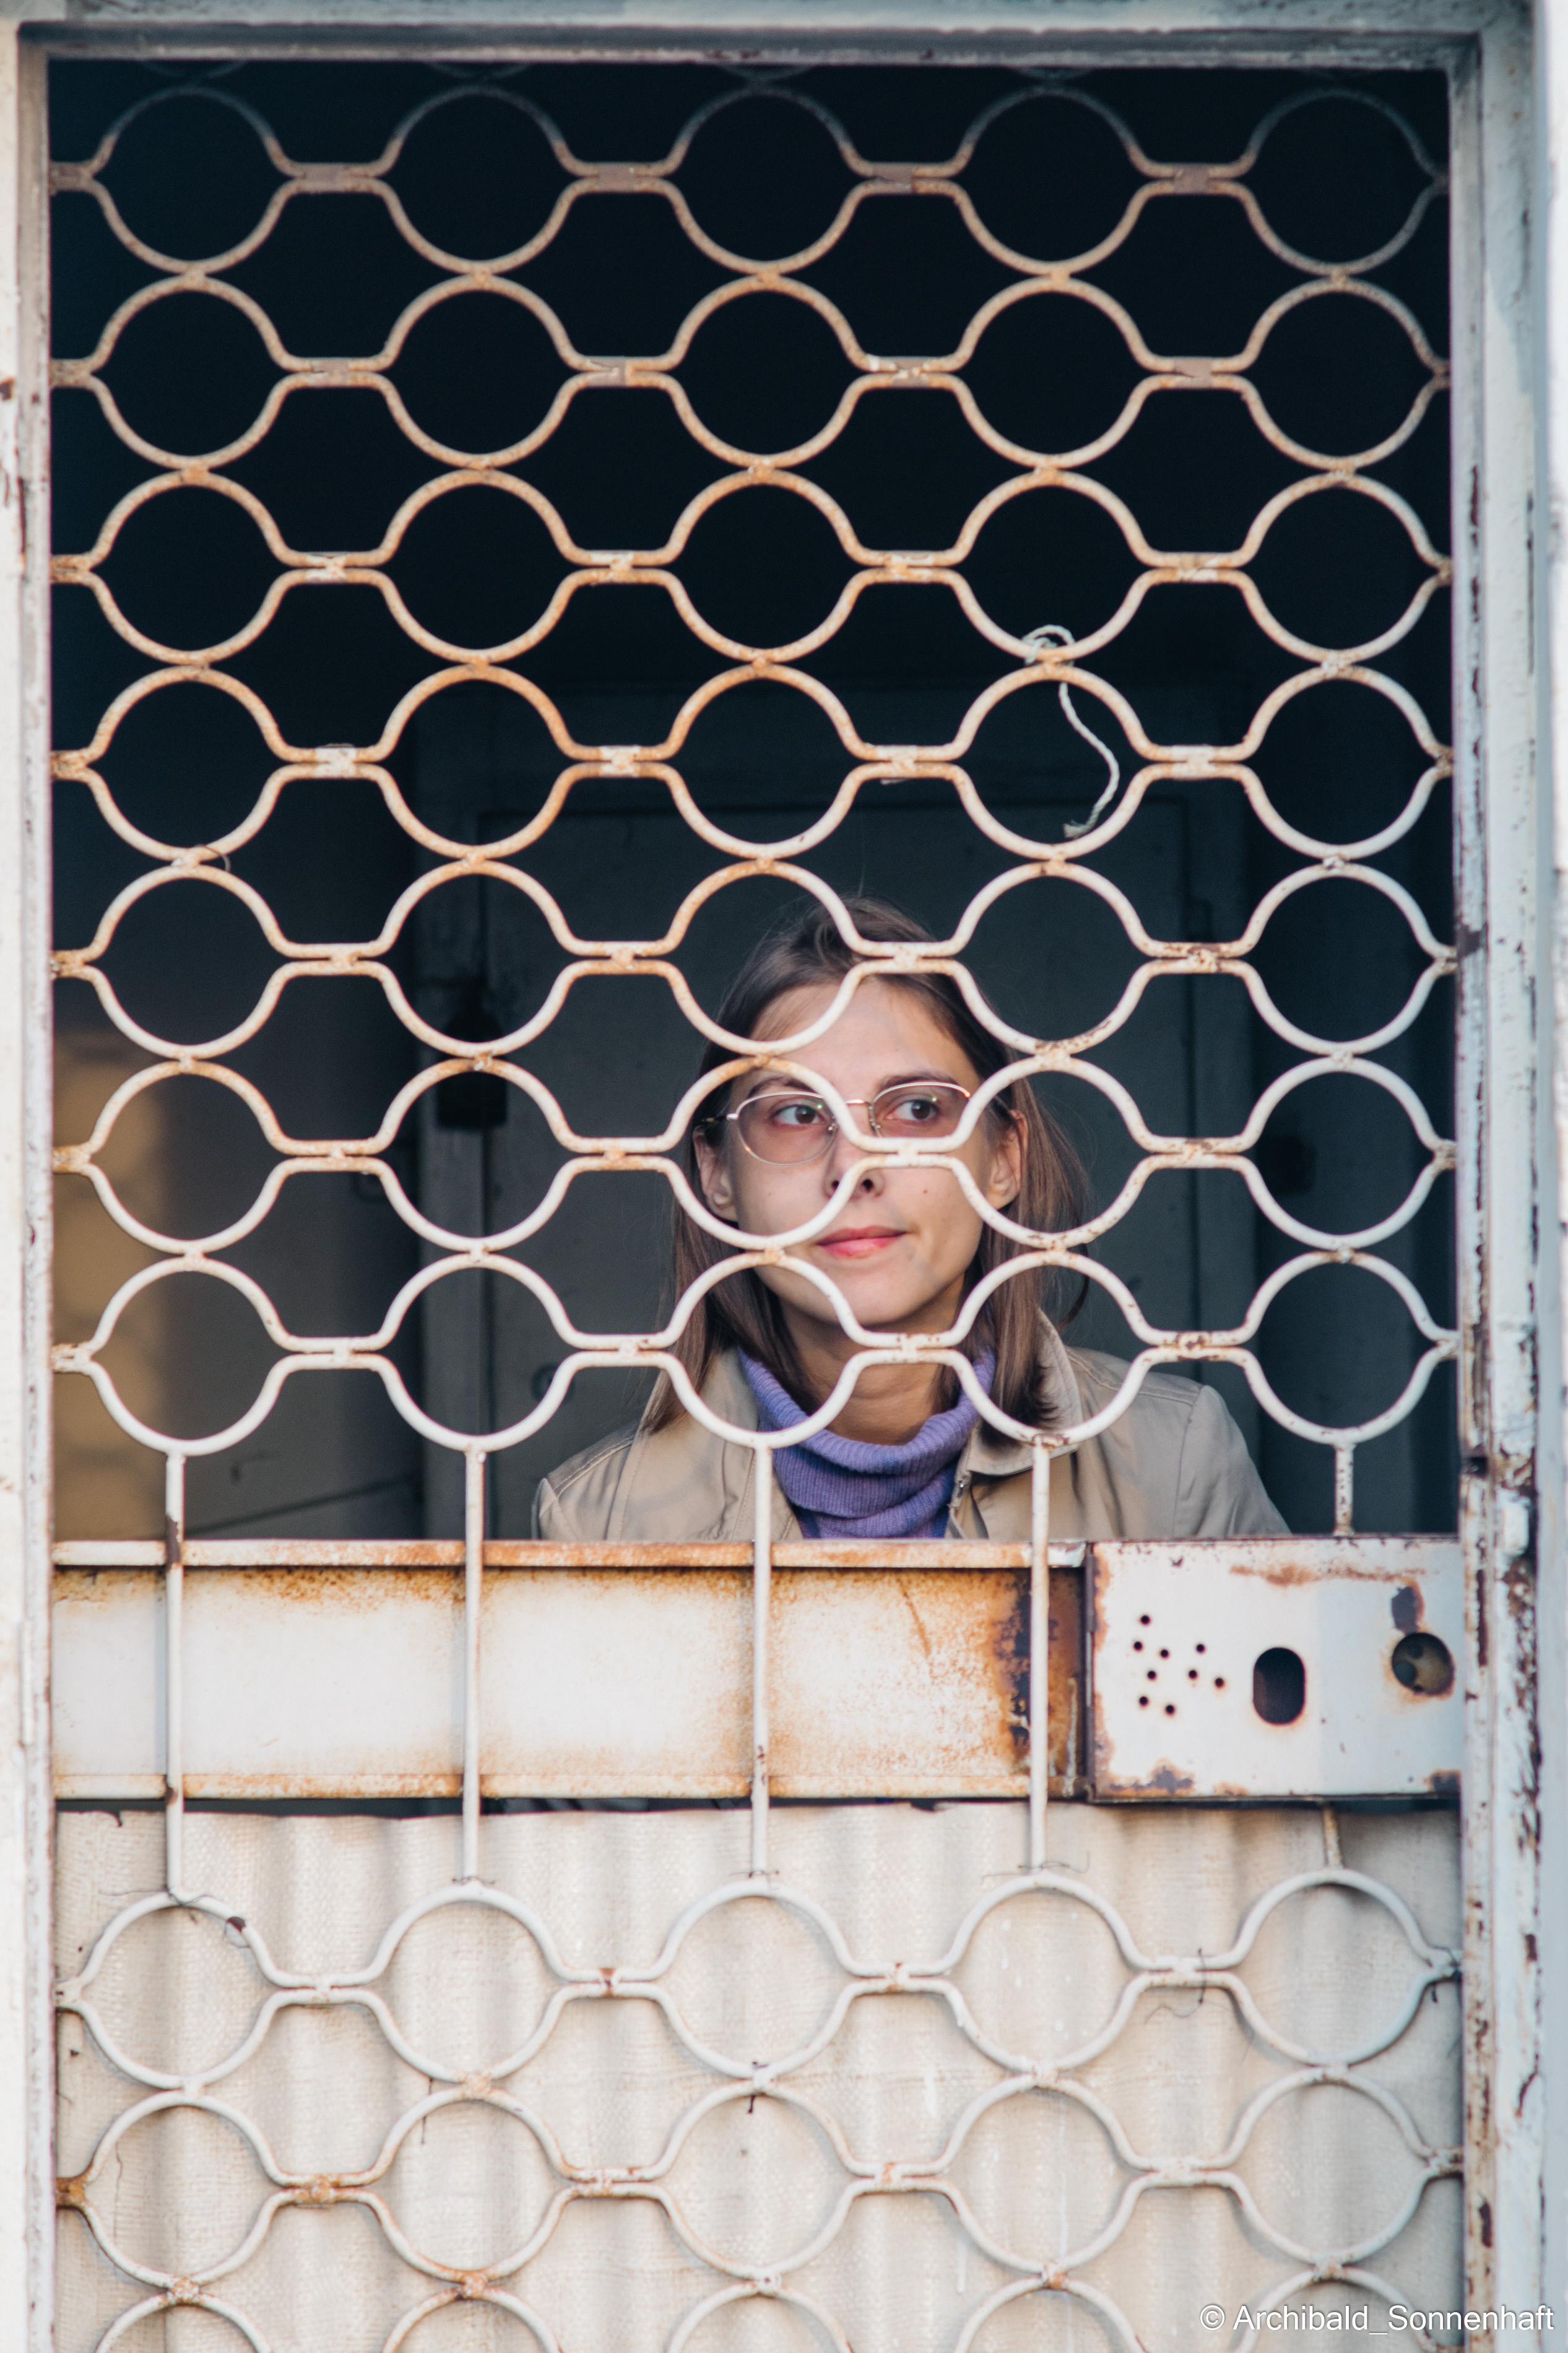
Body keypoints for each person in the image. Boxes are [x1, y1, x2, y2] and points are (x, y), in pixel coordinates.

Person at [534, 895, 1286, 1543]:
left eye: (917, 1108)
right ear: (717, 1173)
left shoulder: (1172, 1462)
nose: (852, 1166)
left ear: (1003, 1157)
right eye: (796, 1113)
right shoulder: (601, 1518)